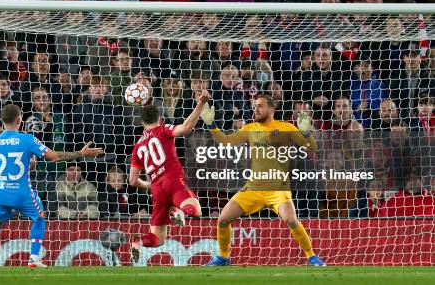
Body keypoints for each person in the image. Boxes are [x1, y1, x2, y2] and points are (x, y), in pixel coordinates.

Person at [0, 103, 103, 267]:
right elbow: (54, 157)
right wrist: (80, 153)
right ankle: (34, 258)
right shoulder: (27, 139)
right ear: (19, 120)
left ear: (2, 121)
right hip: (21, 191)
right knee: (39, 217)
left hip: (1, 191)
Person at [200, 94, 325, 266]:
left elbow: (312, 147)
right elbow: (227, 142)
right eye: (254, 106)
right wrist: (210, 125)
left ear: (271, 109)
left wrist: (307, 132)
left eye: (260, 106)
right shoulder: (250, 128)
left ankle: (312, 257)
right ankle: (224, 257)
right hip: (253, 188)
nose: (256, 109)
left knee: (291, 220)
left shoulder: (285, 127)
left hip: (278, 189)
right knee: (223, 220)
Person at [129, 90, 209, 262]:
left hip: (157, 190)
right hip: (173, 181)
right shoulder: (163, 130)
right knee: (196, 211)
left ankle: (138, 242)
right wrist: (201, 103)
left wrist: (148, 185)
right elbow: (186, 128)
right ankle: (177, 210)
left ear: (142, 123)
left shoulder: (137, 147)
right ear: (160, 118)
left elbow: (132, 181)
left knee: (157, 240)